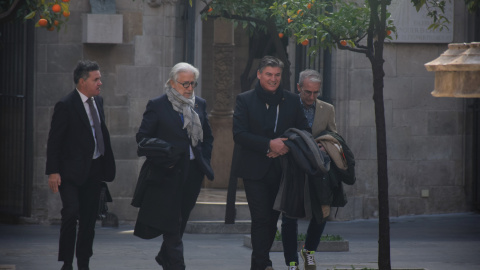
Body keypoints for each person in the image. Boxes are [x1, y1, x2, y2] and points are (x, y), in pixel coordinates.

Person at [133, 62, 214, 270]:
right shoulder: (158, 105)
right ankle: (177, 265)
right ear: (171, 83)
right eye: (184, 84)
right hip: (167, 173)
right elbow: (143, 138)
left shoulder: (199, 104)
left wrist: (204, 160)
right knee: (172, 224)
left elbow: (208, 137)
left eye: (192, 84)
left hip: (193, 172)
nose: (189, 88)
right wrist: (164, 159)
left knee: (181, 220)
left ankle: (164, 256)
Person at [233, 56, 310, 270]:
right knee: (260, 219)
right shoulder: (245, 100)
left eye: (277, 75)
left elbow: (304, 131)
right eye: (268, 74)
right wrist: (268, 144)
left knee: (271, 221)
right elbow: (239, 134)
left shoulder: (292, 100)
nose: (273, 79)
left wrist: (283, 145)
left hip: (283, 170)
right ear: (259, 75)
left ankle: (260, 262)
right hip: (254, 170)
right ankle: (262, 264)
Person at [45, 60, 116, 270]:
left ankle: (83, 263)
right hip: (70, 173)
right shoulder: (66, 105)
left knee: (88, 221)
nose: (100, 82)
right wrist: (53, 171)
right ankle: (66, 263)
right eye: (96, 79)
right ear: (82, 81)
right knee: (70, 214)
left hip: (94, 169)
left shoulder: (99, 101)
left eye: (100, 78)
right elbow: (54, 140)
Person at [281, 69, 337, 270]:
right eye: (307, 92)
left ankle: (309, 251)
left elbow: (334, 136)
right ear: (298, 88)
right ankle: (292, 262)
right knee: (289, 216)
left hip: (318, 168)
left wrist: (325, 145)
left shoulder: (327, 109)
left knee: (322, 213)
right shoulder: (287, 106)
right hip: (293, 169)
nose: (311, 97)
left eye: (316, 93)